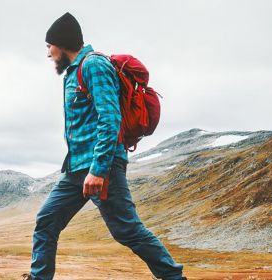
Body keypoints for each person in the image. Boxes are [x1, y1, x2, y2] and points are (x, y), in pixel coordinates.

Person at [22, 12, 186, 280]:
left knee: (127, 230)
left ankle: (173, 277)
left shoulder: (93, 66)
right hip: (76, 168)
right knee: (47, 221)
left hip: (102, 166)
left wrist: (98, 170)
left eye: (49, 46)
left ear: (62, 44)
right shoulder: (72, 73)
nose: (48, 53)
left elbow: (110, 119)